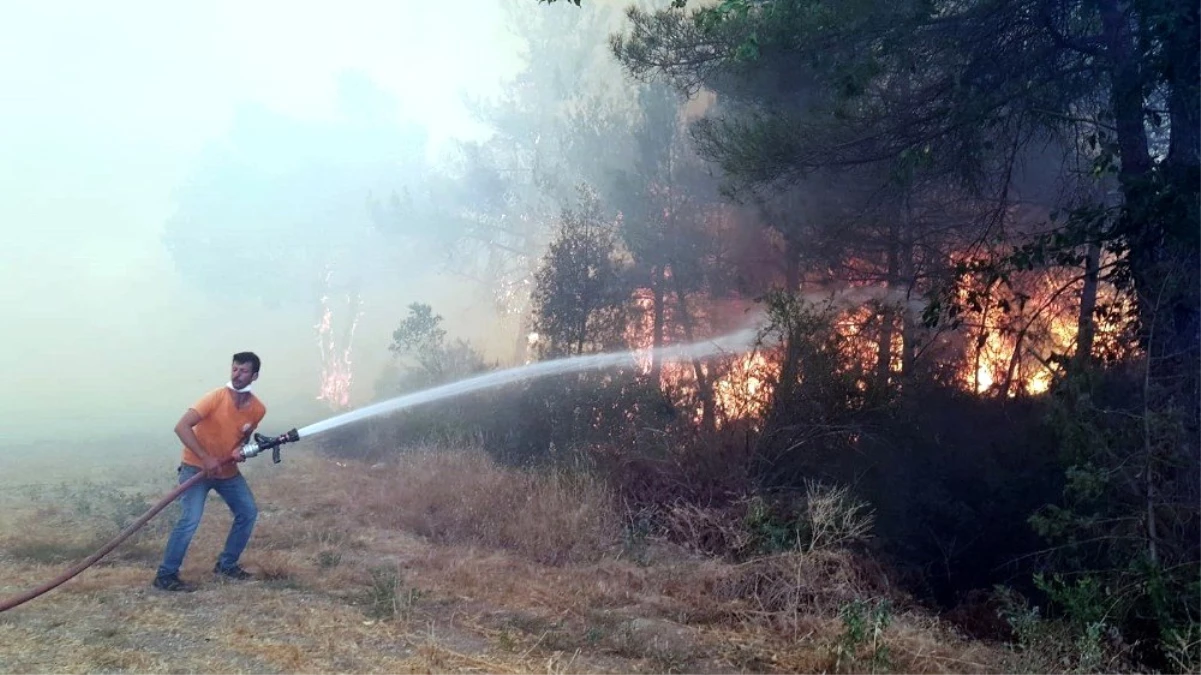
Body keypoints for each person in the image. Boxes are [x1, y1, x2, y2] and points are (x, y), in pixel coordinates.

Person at [152, 352, 267, 592]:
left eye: (244, 371)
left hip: (227, 472)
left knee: (248, 511)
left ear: (254, 376)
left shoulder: (257, 409)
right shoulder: (215, 397)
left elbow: (241, 440)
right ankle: (166, 575)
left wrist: (241, 451)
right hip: (196, 469)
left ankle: (227, 565)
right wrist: (205, 458)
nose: (237, 374)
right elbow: (181, 427)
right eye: (235, 369)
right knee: (189, 520)